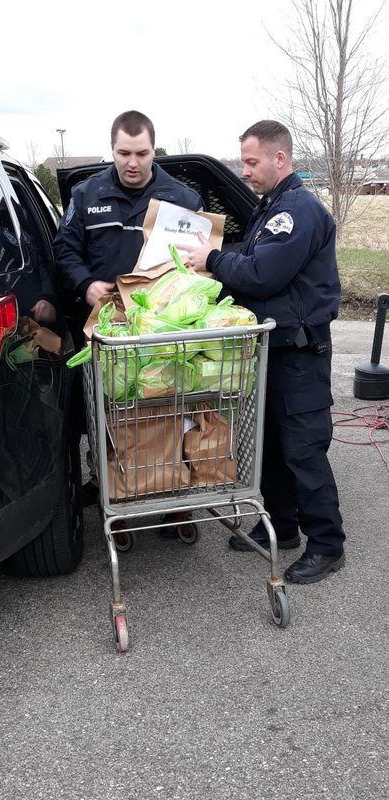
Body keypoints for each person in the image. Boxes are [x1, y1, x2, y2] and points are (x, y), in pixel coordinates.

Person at [182, 120, 345, 584]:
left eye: (252, 162)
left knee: (303, 450)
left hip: (299, 354)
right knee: (271, 445)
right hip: (271, 350)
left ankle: (328, 544)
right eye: (243, 162)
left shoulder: (295, 210)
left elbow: (262, 274)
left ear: (280, 158)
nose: (245, 171)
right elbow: (251, 261)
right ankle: (284, 526)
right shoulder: (269, 207)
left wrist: (212, 261)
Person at [53, 109, 203, 320]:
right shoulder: (85, 196)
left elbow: (201, 263)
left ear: (153, 151)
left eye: (142, 154)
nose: (133, 163)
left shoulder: (184, 201)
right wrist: (86, 285)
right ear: (112, 150)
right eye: (124, 154)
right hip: (106, 320)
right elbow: (65, 250)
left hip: (167, 323)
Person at [0, 214, 59, 329]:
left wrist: (47, 298)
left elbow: (36, 262)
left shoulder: (1, 236)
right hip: (25, 328)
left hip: (47, 313)